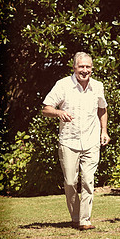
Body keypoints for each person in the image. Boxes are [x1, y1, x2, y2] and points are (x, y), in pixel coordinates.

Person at [42, 52, 110, 230]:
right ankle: (75, 216)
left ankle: (84, 219)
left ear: (92, 68)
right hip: (69, 141)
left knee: (88, 180)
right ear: (74, 67)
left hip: (91, 140)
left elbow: (102, 109)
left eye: (88, 67)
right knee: (71, 182)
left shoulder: (98, 86)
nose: (85, 70)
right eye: (81, 67)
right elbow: (46, 109)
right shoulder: (63, 85)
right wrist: (59, 113)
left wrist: (104, 131)